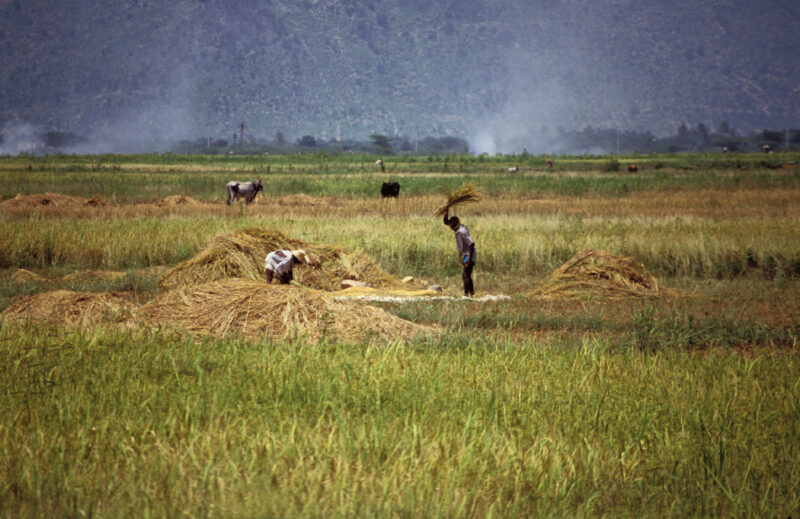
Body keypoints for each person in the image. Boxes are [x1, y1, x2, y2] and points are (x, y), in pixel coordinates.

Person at [443, 212, 475, 296]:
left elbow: (472, 244)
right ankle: (471, 293)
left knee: (465, 274)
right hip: (467, 254)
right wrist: (446, 211)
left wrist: (469, 259)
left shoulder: (461, 232)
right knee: (467, 274)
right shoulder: (460, 228)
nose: (451, 228)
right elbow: (446, 222)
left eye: (451, 226)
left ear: (454, 225)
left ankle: (466, 294)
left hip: (469, 254)